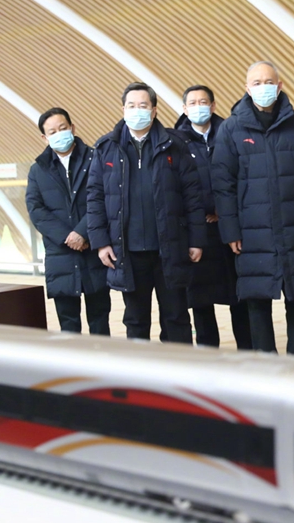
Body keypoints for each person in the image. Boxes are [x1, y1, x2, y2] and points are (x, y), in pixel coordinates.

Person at [212, 62, 294, 355]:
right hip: (251, 232)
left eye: (268, 82)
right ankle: (266, 363)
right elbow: (223, 184)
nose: (263, 87)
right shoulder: (231, 128)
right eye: (257, 83)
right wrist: (231, 230)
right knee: (257, 302)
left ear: (280, 85)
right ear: (247, 88)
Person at [87, 82, 205, 343]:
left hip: (170, 248)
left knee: (176, 317)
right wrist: (101, 242)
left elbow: (192, 196)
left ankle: (177, 366)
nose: (137, 110)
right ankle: (140, 368)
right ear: (123, 109)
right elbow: (94, 197)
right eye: (131, 106)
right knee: (136, 320)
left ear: (153, 110)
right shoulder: (106, 147)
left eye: (143, 105)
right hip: (127, 251)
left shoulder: (175, 144)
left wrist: (196, 240)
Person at [173, 85, 252, 349]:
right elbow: (180, 187)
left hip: (230, 229)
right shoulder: (176, 141)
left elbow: (242, 176)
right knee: (201, 303)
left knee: (239, 298)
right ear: (184, 109)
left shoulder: (230, 132)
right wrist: (203, 212)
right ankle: (208, 356)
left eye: (203, 101)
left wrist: (224, 211)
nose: (199, 107)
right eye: (193, 103)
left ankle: (247, 353)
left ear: (213, 105)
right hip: (199, 232)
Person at [26, 108, 111, 335]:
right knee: (68, 324)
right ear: (44, 138)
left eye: (63, 128)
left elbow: (105, 199)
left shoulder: (95, 159)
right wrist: (68, 237)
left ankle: (102, 357)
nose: (59, 134)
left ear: (72, 128)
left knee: (100, 319)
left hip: (93, 249)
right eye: (52, 132)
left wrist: (82, 232)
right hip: (60, 255)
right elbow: (36, 210)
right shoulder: (38, 170)